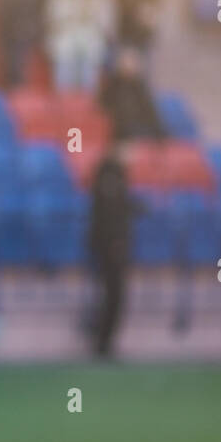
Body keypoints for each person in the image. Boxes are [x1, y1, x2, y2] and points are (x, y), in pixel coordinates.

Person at [86, 145, 135, 358]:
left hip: (109, 247)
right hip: (110, 249)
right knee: (113, 295)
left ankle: (103, 340)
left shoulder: (110, 180)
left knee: (112, 295)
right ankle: (102, 342)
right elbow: (110, 217)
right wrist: (115, 242)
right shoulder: (111, 181)